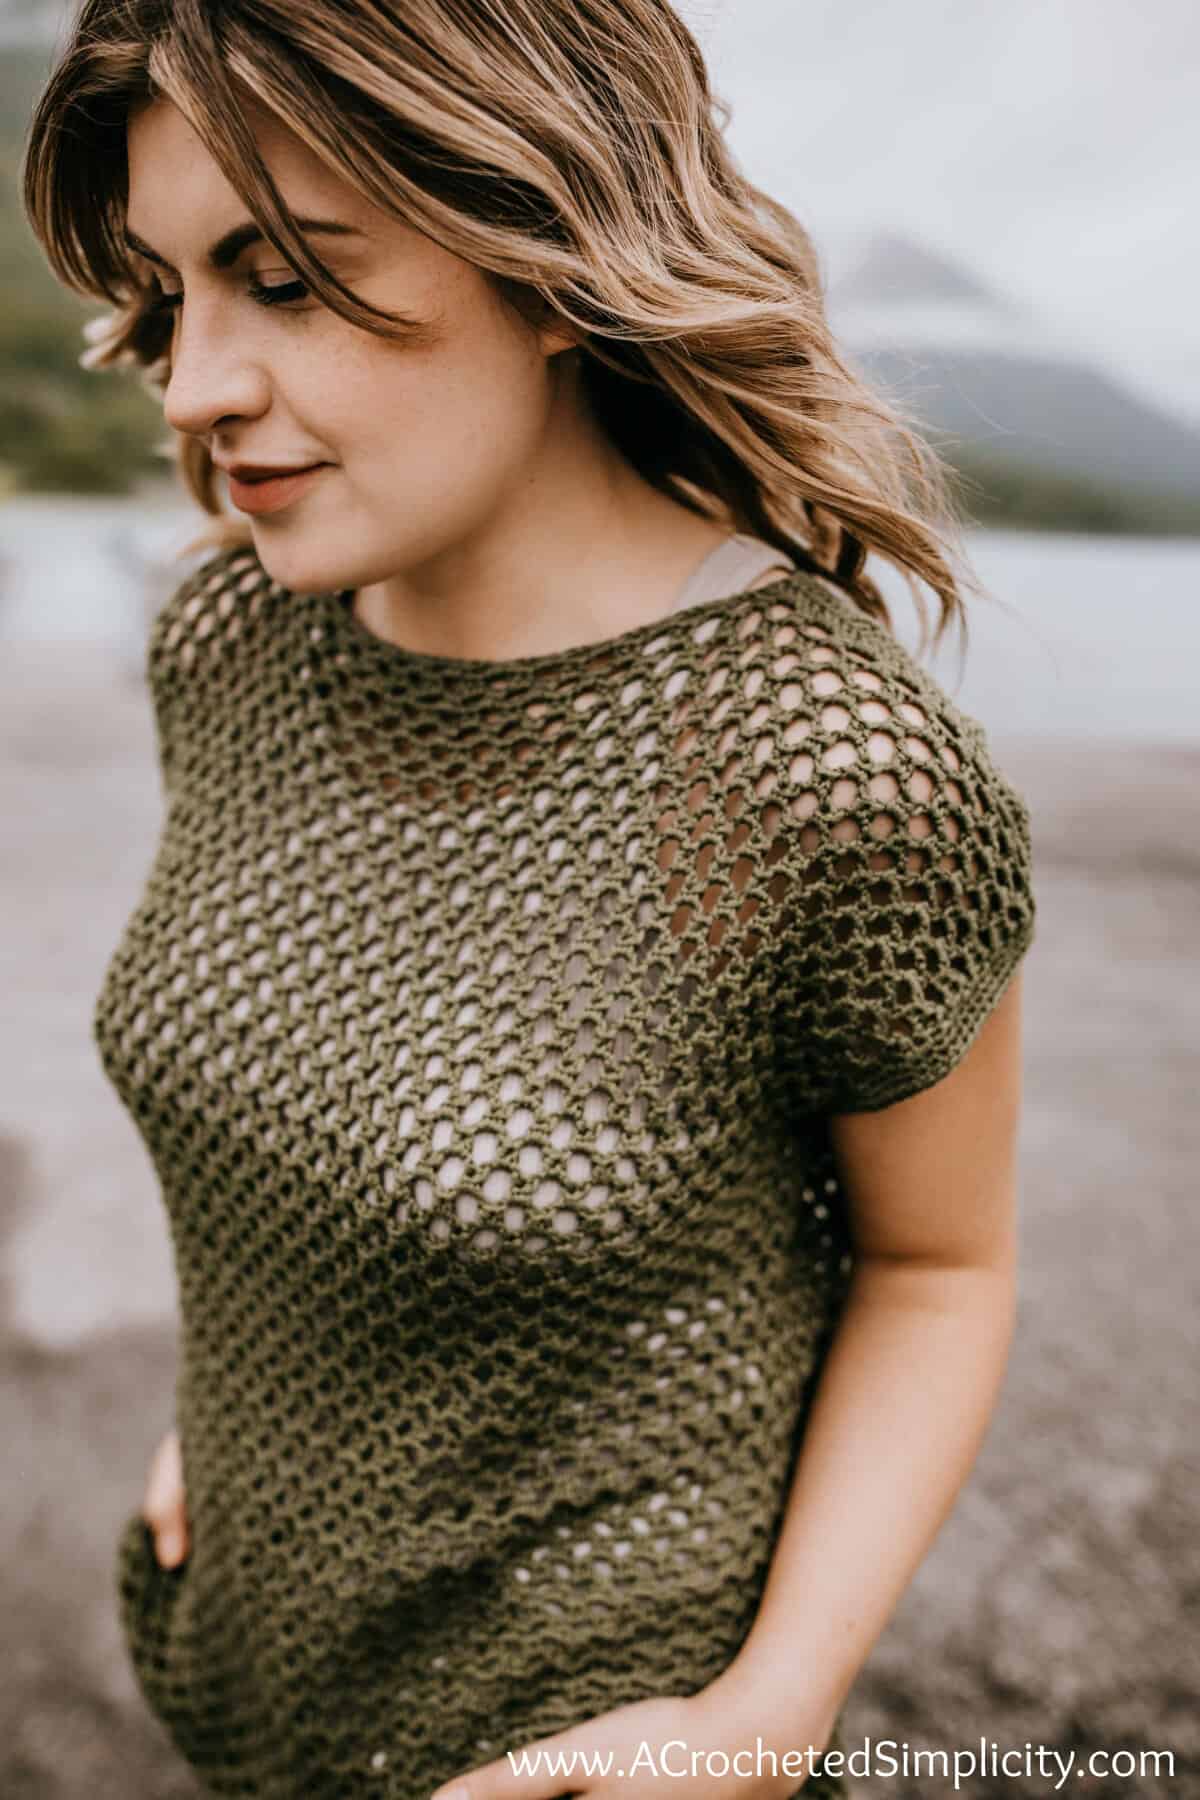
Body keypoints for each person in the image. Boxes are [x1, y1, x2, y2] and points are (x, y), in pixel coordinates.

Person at [22, 3, 1037, 1798]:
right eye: (175, 294)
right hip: (244, 1677)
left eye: (286, 279)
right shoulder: (234, 637)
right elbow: (301, 1095)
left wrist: (765, 1717)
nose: (188, 386)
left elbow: (939, 1268)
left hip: (579, 1742)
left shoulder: (820, 771)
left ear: (547, 255)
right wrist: (250, 1406)